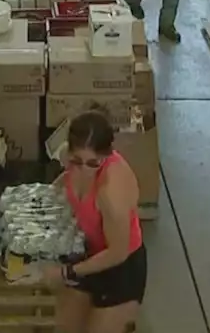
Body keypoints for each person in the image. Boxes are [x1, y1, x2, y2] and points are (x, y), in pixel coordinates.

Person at [46, 111, 146, 333]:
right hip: (87, 252)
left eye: (93, 164)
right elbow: (65, 181)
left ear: (106, 155)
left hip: (121, 269)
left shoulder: (111, 190)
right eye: (77, 161)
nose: (83, 170)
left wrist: (67, 272)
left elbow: (117, 252)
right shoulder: (71, 161)